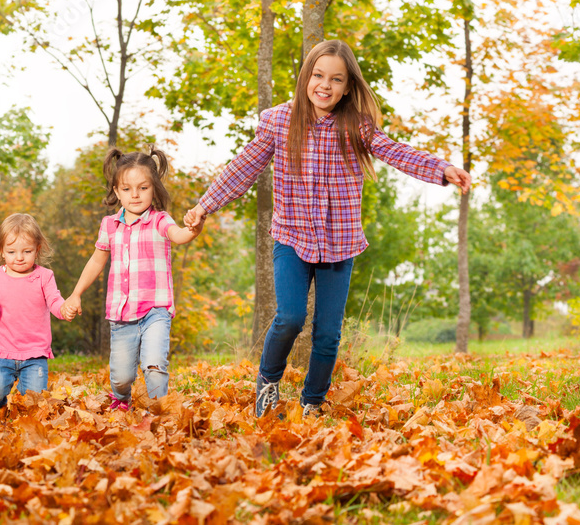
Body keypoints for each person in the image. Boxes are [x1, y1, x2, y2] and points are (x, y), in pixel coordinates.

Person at [185, 40, 472, 418]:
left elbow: (395, 151)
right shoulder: (279, 120)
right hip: (292, 236)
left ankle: (312, 402)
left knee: (327, 334)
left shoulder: (357, 126)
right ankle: (267, 384)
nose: (325, 85)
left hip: (340, 242)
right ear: (306, 76)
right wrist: (205, 205)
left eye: (336, 79)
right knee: (289, 317)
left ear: (348, 86)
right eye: (318, 75)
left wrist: (441, 169)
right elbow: (244, 167)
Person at [62, 147, 202, 411]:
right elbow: (96, 261)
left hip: (155, 311)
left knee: (154, 364)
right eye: (126, 189)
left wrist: (194, 228)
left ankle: (161, 410)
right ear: (116, 191)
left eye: (143, 188)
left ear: (153, 189)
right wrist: (76, 293)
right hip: (121, 314)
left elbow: (179, 235)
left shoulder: (160, 220)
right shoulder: (109, 225)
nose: (135, 195)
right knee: (122, 376)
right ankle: (121, 398)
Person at [0, 213, 72, 409]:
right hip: (0, 351)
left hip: (34, 353)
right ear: (2, 251)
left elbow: (54, 300)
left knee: (34, 401)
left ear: (37, 250)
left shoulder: (44, 276)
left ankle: (26, 426)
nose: (19, 258)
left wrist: (64, 309)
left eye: (26, 251)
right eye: (11, 252)